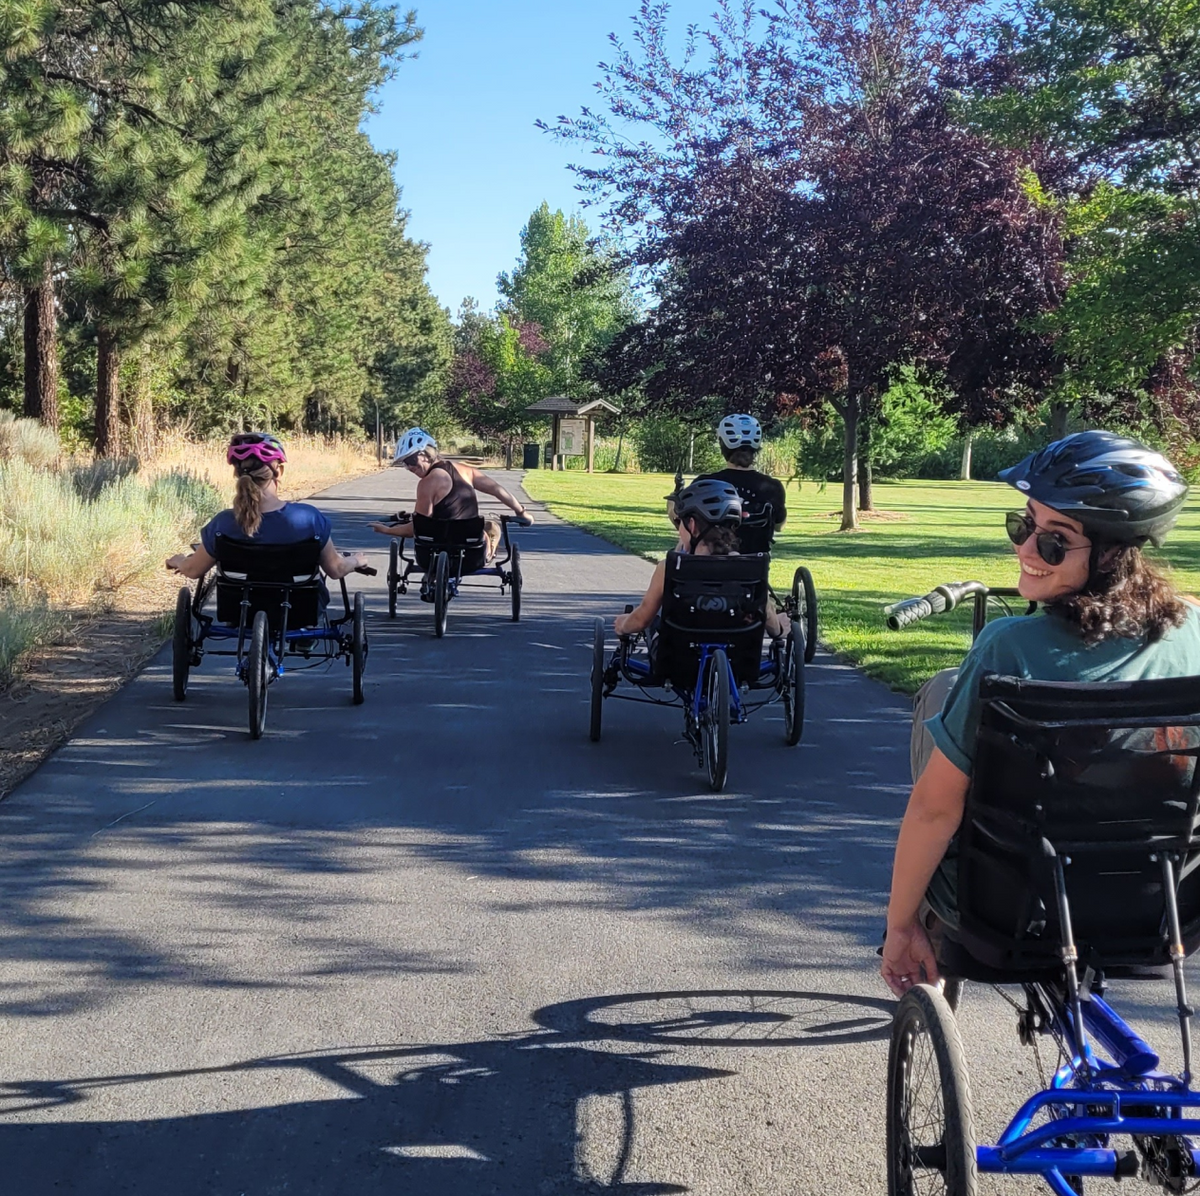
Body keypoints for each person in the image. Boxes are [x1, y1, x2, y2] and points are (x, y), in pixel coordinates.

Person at [881, 430, 1200, 999]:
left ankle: (930, 924)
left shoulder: (1009, 647)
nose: (1024, 550)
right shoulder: (1194, 635)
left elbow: (934, 810)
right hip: (1165, 906)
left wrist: (899, 925)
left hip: (1014, 907)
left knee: (943, 700)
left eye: (1053, 543)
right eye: (1022, 525)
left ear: (1112, 554)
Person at [165, 433, 368, 590]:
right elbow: (336, 569)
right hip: (300, 612)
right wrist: (356, 560)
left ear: (236, 473)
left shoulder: (223, 523)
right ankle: (305, 638)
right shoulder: (309, 518)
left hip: (239, 612)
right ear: (278, 471)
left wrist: (180, 560)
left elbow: (193, 570)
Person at [616, 478, 788, 640]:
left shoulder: (670, 567)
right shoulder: (749, 569)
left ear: (691, 525)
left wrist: (623, 625)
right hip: (736, 661)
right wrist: (779, 629)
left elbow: (641, 620)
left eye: (679, 522)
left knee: (654, 623)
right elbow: (769, 620)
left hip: (677, 661)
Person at [369, 428, 532, 559]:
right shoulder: (466, 471)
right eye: (405, 464)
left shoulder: (426, 484)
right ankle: (489, 554)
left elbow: (417, 529)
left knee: (436, 530)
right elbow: (497, 490)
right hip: (472, 554)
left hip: (432, 552)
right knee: (492, 526)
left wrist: (387, 530)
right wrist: (521, 512)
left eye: (411, 461)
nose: (409, 467)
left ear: (425, 454)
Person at [691, 414, 787, 554]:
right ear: (756, 447)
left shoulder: (704, 483)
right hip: (754, 569)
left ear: (723, 445)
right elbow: (779, 526)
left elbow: (687, 524)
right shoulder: (773, 487)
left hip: (712, 568)